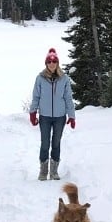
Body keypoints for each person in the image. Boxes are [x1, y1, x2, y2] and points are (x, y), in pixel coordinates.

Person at [29, 48, 76, 181]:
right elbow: (36, 97)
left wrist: (71, 116)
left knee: (56, 143)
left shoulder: (64, 79)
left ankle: (54, 171)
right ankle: (43, 172)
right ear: (46, 63)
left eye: (54, 61)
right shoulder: (40, 78)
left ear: (57, 63)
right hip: (44, 116)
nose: (51, 63)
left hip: (60, 117)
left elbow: (68, 98)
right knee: (45, 143)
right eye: (49, 61)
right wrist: (33, 112)